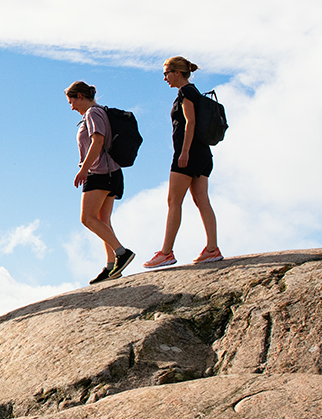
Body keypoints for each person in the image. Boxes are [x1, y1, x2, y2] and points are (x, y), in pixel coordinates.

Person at [141, 56, 222, 267]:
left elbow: (190, 122)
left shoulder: (186, 93)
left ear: (178, 72)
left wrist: (184, 152)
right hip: (203, 154)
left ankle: (166, 252)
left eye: (166, 73)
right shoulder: (192, 91)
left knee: (173, 201)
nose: (165, 78)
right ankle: (212, 249)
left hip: (190, 154)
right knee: (202, 200)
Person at [67, 83, 134, 284]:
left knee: (87, 218)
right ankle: (111, 266)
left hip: (100, 173)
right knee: (102, 220)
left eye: (72, 102)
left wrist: (84, 168)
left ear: (80, 96)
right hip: (112, 172)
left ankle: (122, 252)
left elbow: (98, 140)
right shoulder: (99, 112)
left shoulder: (93, 113)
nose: (71, 107)